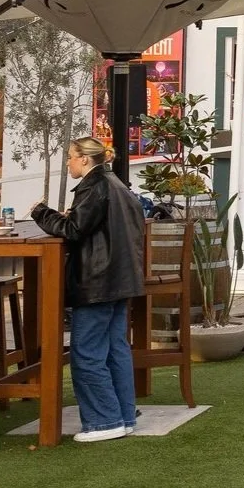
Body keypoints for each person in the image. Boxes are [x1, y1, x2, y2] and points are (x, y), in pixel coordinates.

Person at [31, 136, 146, 444]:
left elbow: (74, 230)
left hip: (98, 281)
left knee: (87, 353)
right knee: (114, 349)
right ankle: (122, 416)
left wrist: (42, 212)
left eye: (70, 156)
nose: (68, 162)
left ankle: (103, 421)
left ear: (84, 159)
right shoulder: (117, 185)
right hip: (120, 280)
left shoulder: (95, 187)